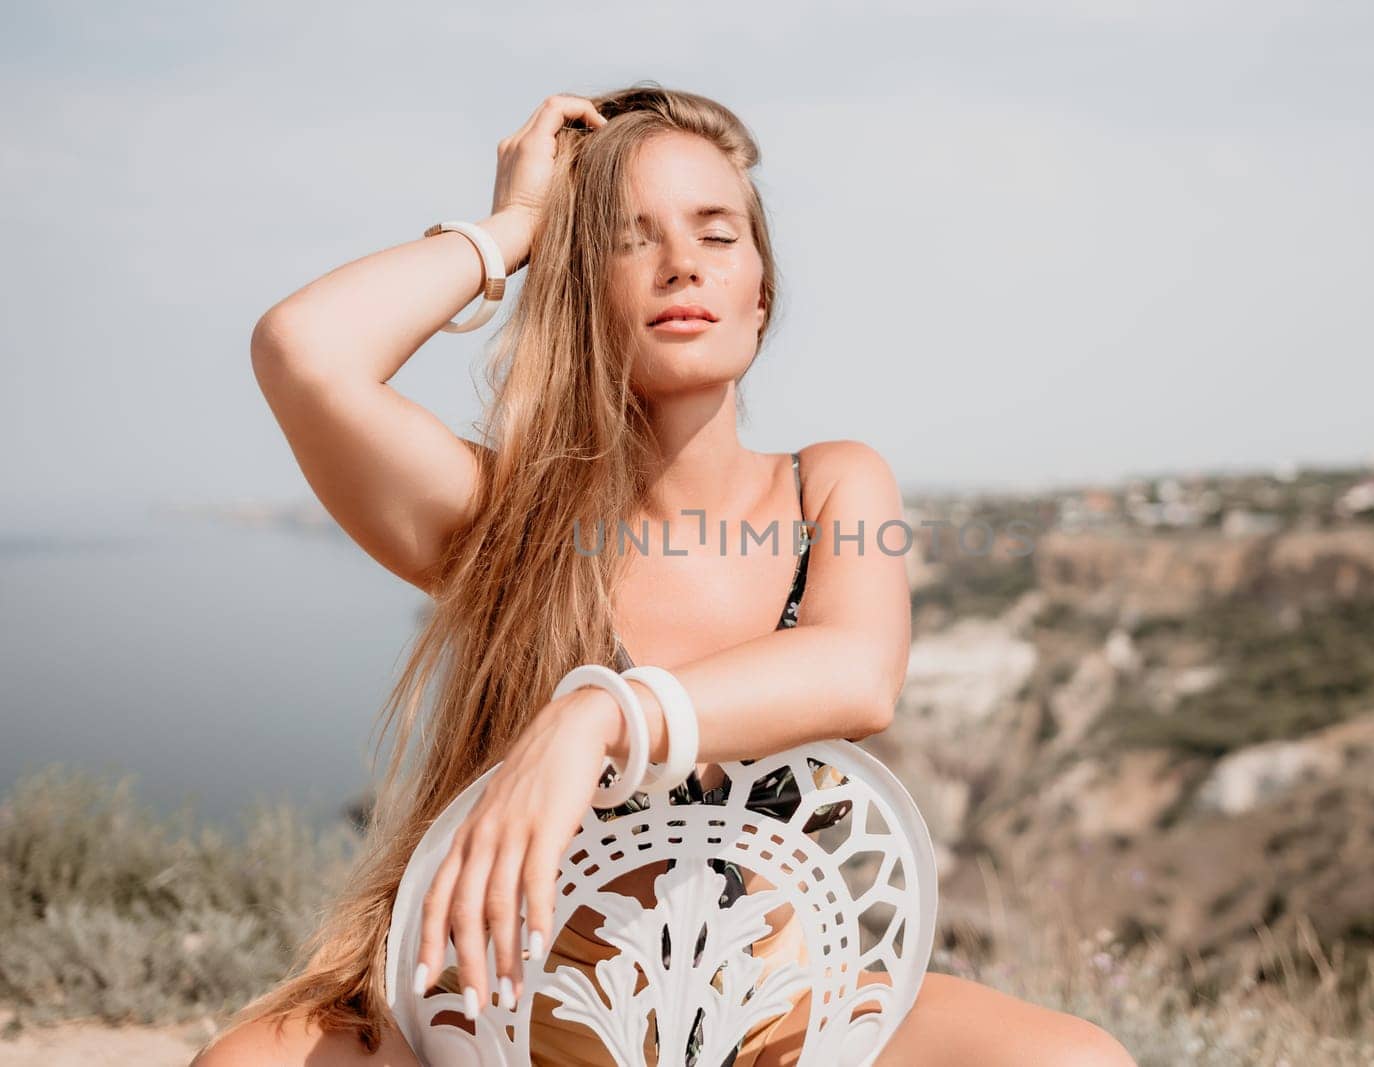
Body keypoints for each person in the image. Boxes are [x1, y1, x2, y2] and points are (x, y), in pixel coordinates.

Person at [192, 83, 1136, 1067]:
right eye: (629, 238)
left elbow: (858, 671)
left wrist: (596, 714)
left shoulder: (832, 483)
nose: (682, 261)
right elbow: (304, 350)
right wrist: (515, 226)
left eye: (718, 235)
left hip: (780, 1012)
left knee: (1077, 1057)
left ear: (761, 291)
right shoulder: (499, 520)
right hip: (511, 1021)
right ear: (576, 287)